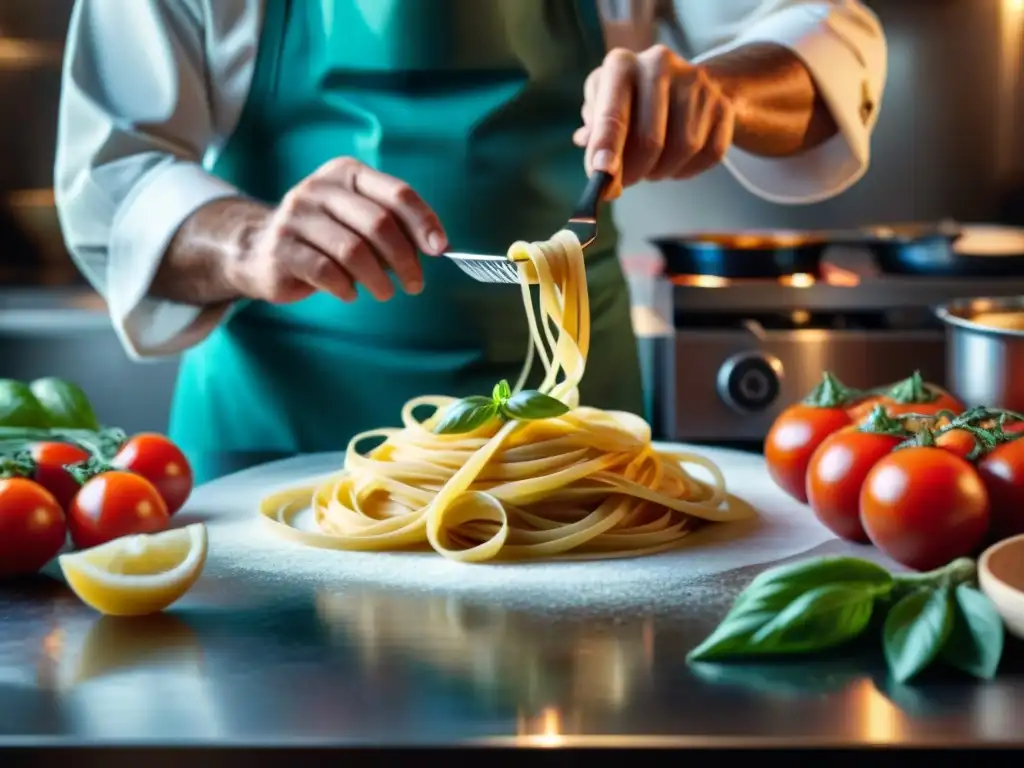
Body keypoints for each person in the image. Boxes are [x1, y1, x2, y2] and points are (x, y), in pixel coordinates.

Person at [54, 0, 886, 483]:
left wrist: (722, 94)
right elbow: (110, 179)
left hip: (573, 447)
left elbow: (828, 44)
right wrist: (252, 242)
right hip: (271, 449)